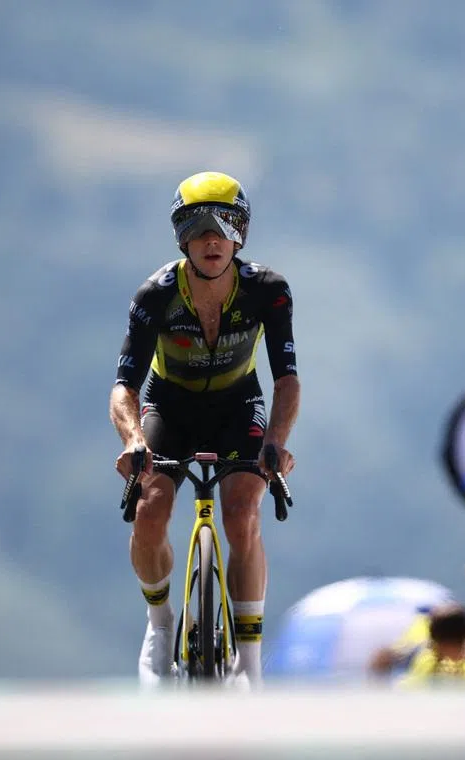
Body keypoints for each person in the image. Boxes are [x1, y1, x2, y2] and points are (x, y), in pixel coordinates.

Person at [110, 171, 300, 688]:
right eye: (197, 227)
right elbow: (125, 387)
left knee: (242, 512)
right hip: (170, 406)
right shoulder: (155, 295)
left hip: (239, 404)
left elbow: (286, 379)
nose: (212, 239)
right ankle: (159, 623)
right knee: (151, 509)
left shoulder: (268, 290)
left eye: (226, 225)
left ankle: (250, 660)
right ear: (181, 237)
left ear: (242, 233)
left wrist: (277, 441)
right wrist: (133, 440)